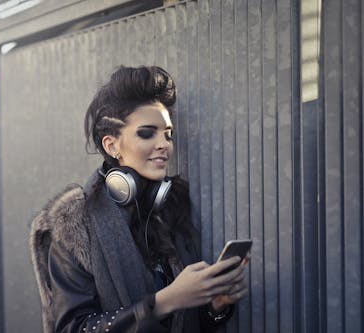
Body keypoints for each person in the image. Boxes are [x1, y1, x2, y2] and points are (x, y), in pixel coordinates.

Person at [30, 65, 249, 333]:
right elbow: (73, 328)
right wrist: (163, 302)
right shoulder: (74, 226)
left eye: (168, 134)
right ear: (112, 145)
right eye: (147, 133)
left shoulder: (169, 210)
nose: (164, 145)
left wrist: (215, 307)